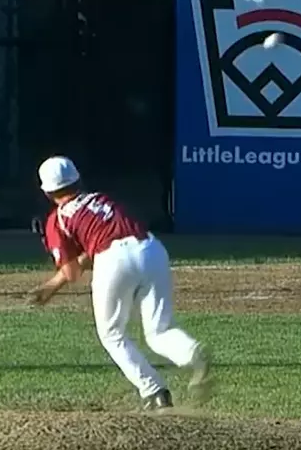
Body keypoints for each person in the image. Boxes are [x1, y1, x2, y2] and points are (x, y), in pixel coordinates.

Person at [27, 156, 213, 410]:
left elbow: (72, 273)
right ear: (78, 179)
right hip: (151, 248)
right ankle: (192, 353)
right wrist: (51, 286)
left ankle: (154, 392)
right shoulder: (100, 199)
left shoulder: (57, 218)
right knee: (160, 330)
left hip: (113, 260)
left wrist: (54, 272)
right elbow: (103, 241)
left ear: (48, 192)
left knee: (112, 333)